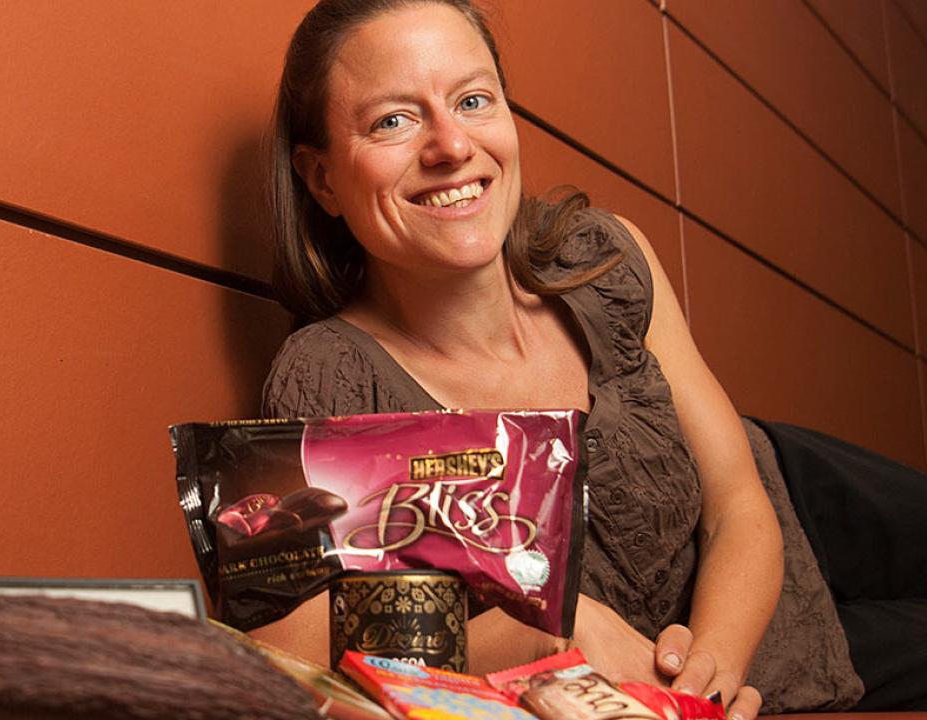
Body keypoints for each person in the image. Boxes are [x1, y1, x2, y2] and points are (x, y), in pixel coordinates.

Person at [253, 0, 911, 714]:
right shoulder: (329, 376)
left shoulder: (604, 257)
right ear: (321, 179)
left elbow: (738, 506)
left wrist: (704, 687)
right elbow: (298, 636)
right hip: (796, 663)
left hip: (793, 500)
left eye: (473, 100)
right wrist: (549, 639)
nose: (451, 145)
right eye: (393, 120)